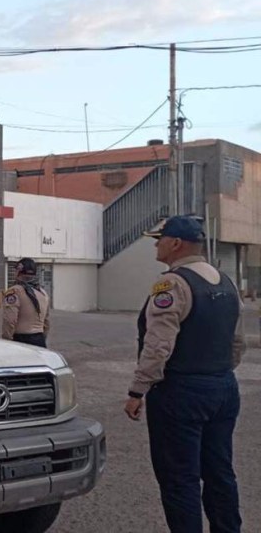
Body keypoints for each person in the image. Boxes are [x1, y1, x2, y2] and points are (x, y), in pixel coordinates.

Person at [124, 215, 246, 533]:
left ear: (175, 243)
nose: (156, 244)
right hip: (223, 387)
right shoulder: (226, 281)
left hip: (181, 391)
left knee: (180, 478)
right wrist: (217, 373)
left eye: (159, 239)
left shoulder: (172, 284)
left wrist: (138, 390)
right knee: (220, 472)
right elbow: (237, 341)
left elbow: (158, 345)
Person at [0, 257, 51, 347]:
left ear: (19, 271)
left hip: (21, 339)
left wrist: (6, 340)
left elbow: (10, 320)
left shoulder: (14, 291)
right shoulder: (43, 293)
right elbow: (46, 322)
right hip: (40, 340)